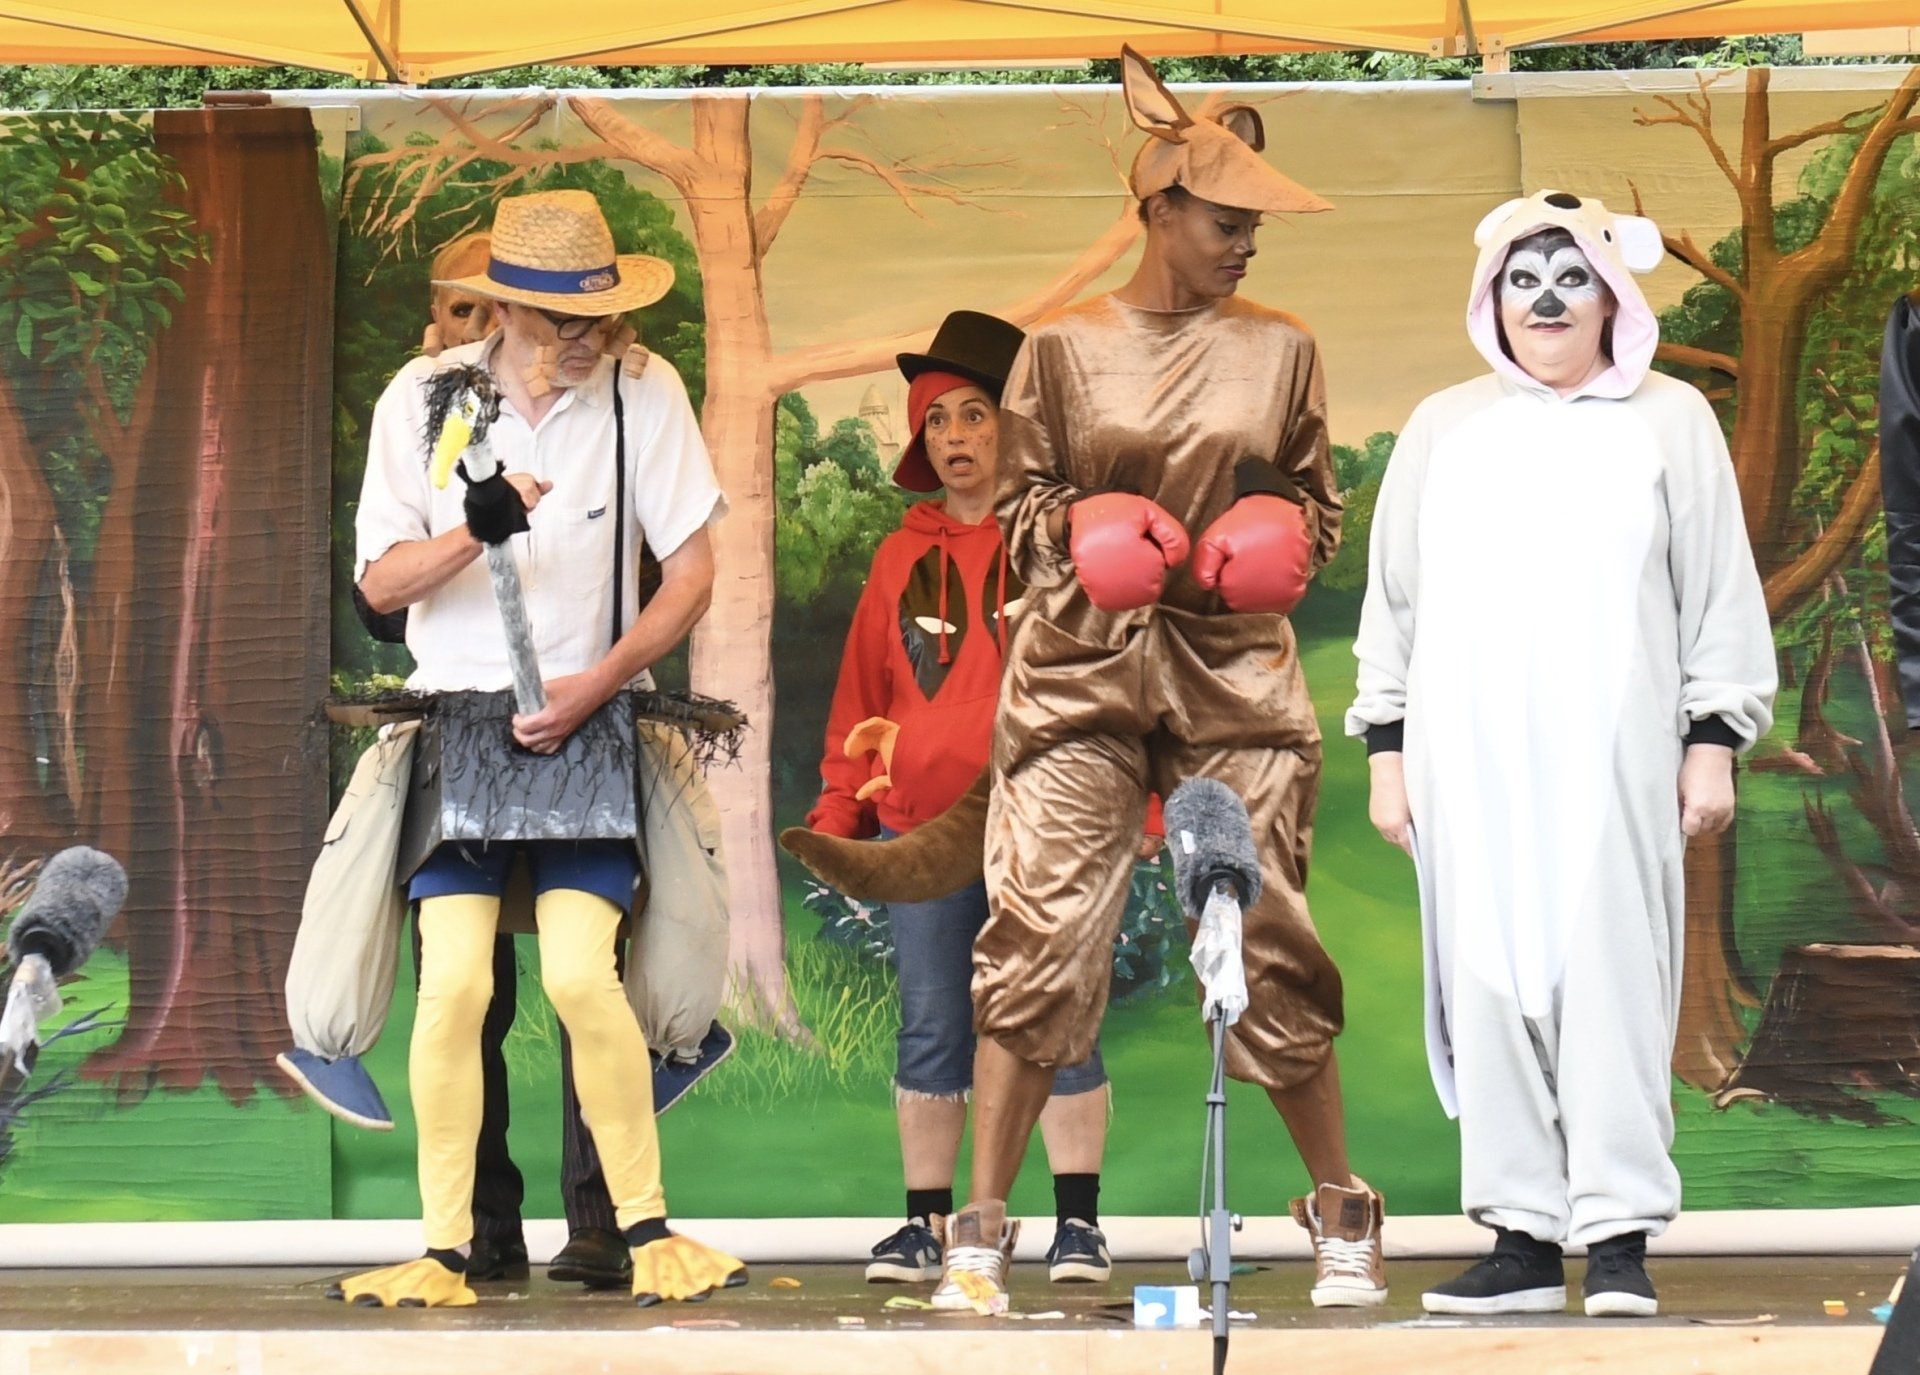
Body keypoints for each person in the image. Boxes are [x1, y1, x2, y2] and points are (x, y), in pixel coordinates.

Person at [931, 48, 1386, 1314]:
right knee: (1040, 930)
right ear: (1160, 212)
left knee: (1262, 926)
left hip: (1233, 675)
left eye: (1253, 226)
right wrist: (1076, 528)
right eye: (1228, 222)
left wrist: (1282, 543)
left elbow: (1319, 503)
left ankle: (1341, 1209)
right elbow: (1013, 506)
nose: (1246, 244)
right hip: (1079, 671)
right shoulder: (1063, 350)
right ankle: (981, 1226)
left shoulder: (1282, 349)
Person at [1348, 190, 1776, 1318]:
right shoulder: (1444, 426)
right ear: (1491, 299)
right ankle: (1522, 1233)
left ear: (1610, 297)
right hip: (1468, 764)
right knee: (1486, 980)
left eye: (1570, 276)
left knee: (1611, 982)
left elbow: (1717, 593)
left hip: (1617, 758)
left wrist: (1711, 741)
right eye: (1522, 279)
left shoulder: (1672, 419)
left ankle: (1620, 1232)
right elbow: (1394, 602)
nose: (1546, 299)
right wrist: (1389, 751)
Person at [329, 189, 742, 1308]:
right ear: (504, 308)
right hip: (459, 723)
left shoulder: (643, 391)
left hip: (595, 723)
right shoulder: (423, 399)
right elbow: (378, 586)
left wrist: (596, 682)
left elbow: (694, 573)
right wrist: (478, 528)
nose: (590, 338)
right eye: (566, 319)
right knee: (456, 985)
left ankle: (644, 1229)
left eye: (601, 316)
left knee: (576, 971)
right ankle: (449, 1246)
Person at [803, 311, 1118, 1287]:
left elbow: (1115, 677)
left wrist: (1140, 810)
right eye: (937, 421)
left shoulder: (1065, 545)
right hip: (924, 830)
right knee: (933, 1021)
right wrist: (839, 816)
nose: (955, 438)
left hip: (1045, 822)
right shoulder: (899, 560)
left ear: (1014, 426)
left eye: (974, 416)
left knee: (1055, 1011)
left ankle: (1076, 1227)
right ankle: (927, 1226)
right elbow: (865, 694)